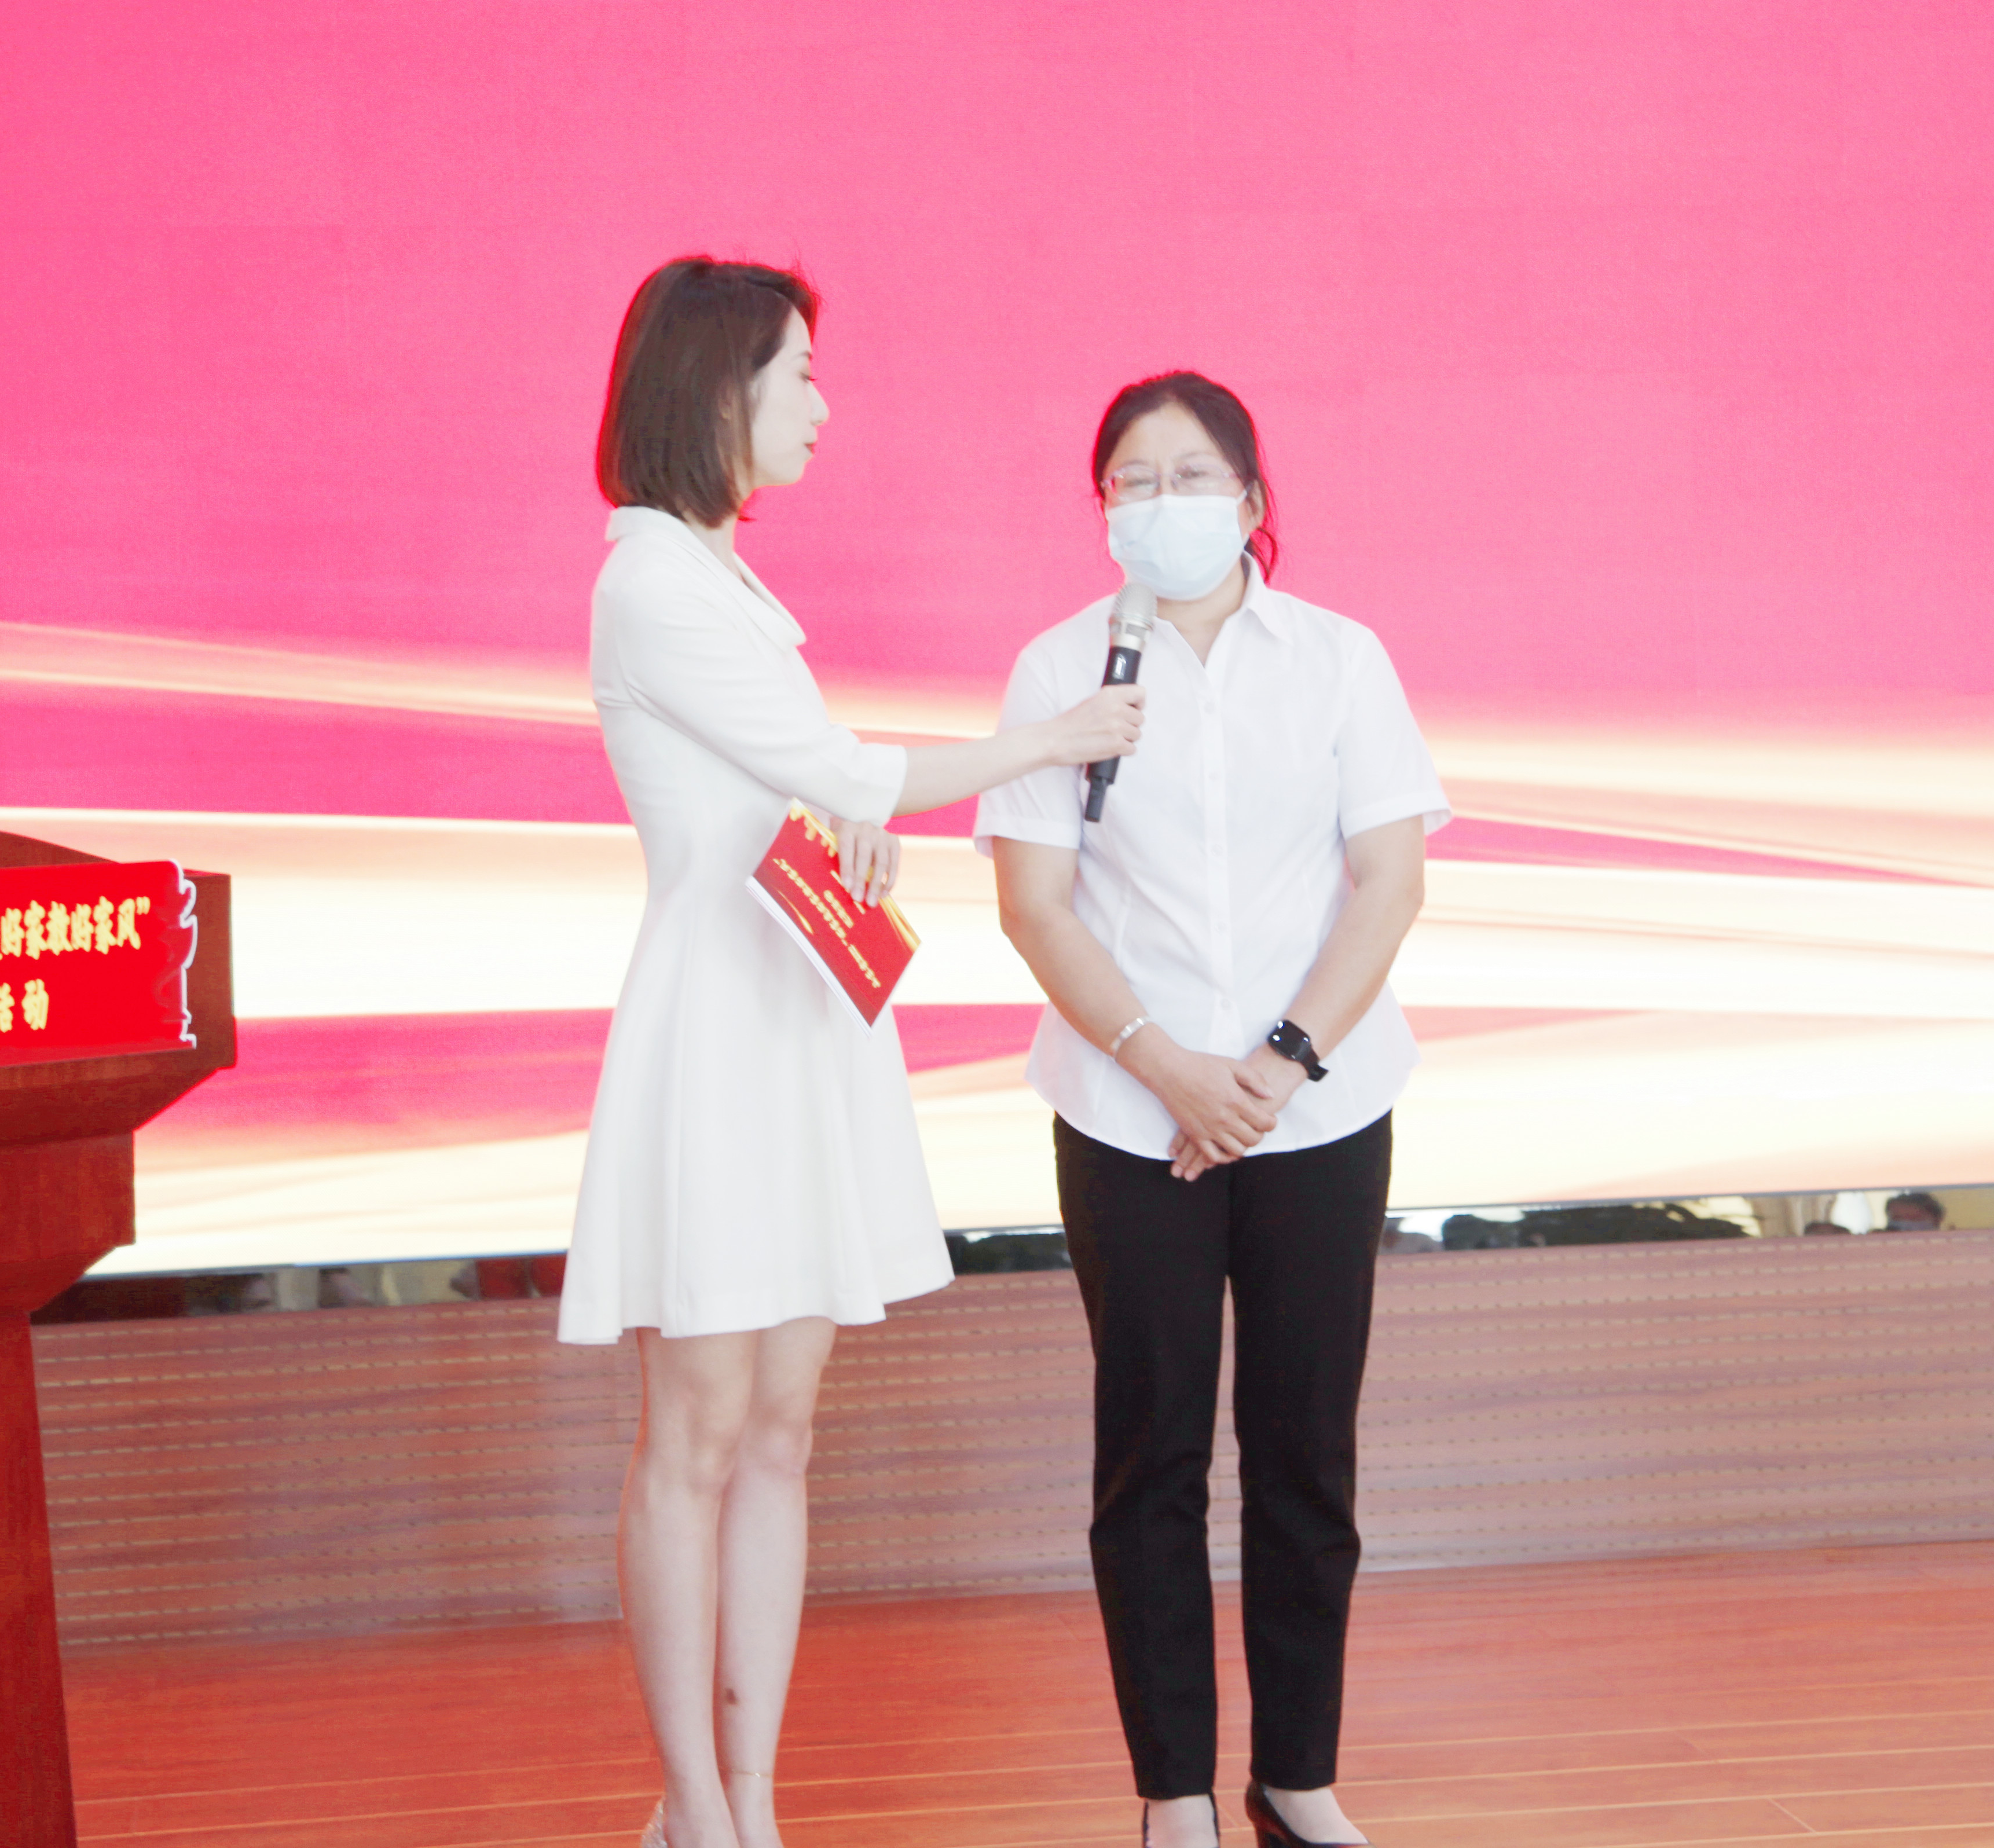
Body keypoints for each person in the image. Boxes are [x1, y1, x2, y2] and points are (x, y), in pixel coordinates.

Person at [559, 258, 1145, 1848]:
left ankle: (749, 1797)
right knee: (695, 1430)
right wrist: (1049, 740)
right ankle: (695, 1806)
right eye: (800, 376)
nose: (822, 407)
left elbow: (794, 791)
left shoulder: (725, 580)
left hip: (801, 1014)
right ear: (717, 389)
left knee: (781, 1426)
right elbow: (831, 763)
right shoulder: (651, 582)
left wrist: (842, 829)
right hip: (718, 1036)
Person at [978, 373, 1445, 1848]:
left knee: (1307, 1454)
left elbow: (1390, 880)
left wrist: (1278, 1065)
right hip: (1130, 1117)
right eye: (1132, 479)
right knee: (1153, 1458)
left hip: (1318, 1111)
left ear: (1250, 500)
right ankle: (1172, 1795)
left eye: (1191, 477)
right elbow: (1036, 904)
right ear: (1103, 507)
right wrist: (1168, 1066)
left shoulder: (1340, 659)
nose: (1160, 503)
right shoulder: (1061, 670)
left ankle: (1297, 1779)